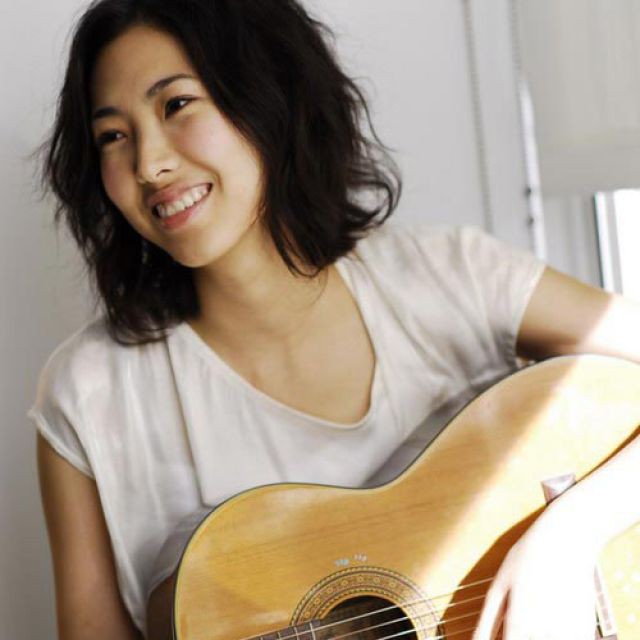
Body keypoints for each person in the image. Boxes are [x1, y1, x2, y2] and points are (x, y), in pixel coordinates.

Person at [28, 1, 640, 639]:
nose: (148, 164)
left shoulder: (450, 277)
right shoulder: (89, 396)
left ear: (266, 94)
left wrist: (566, 540)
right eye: (112, 136)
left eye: (177, 104)